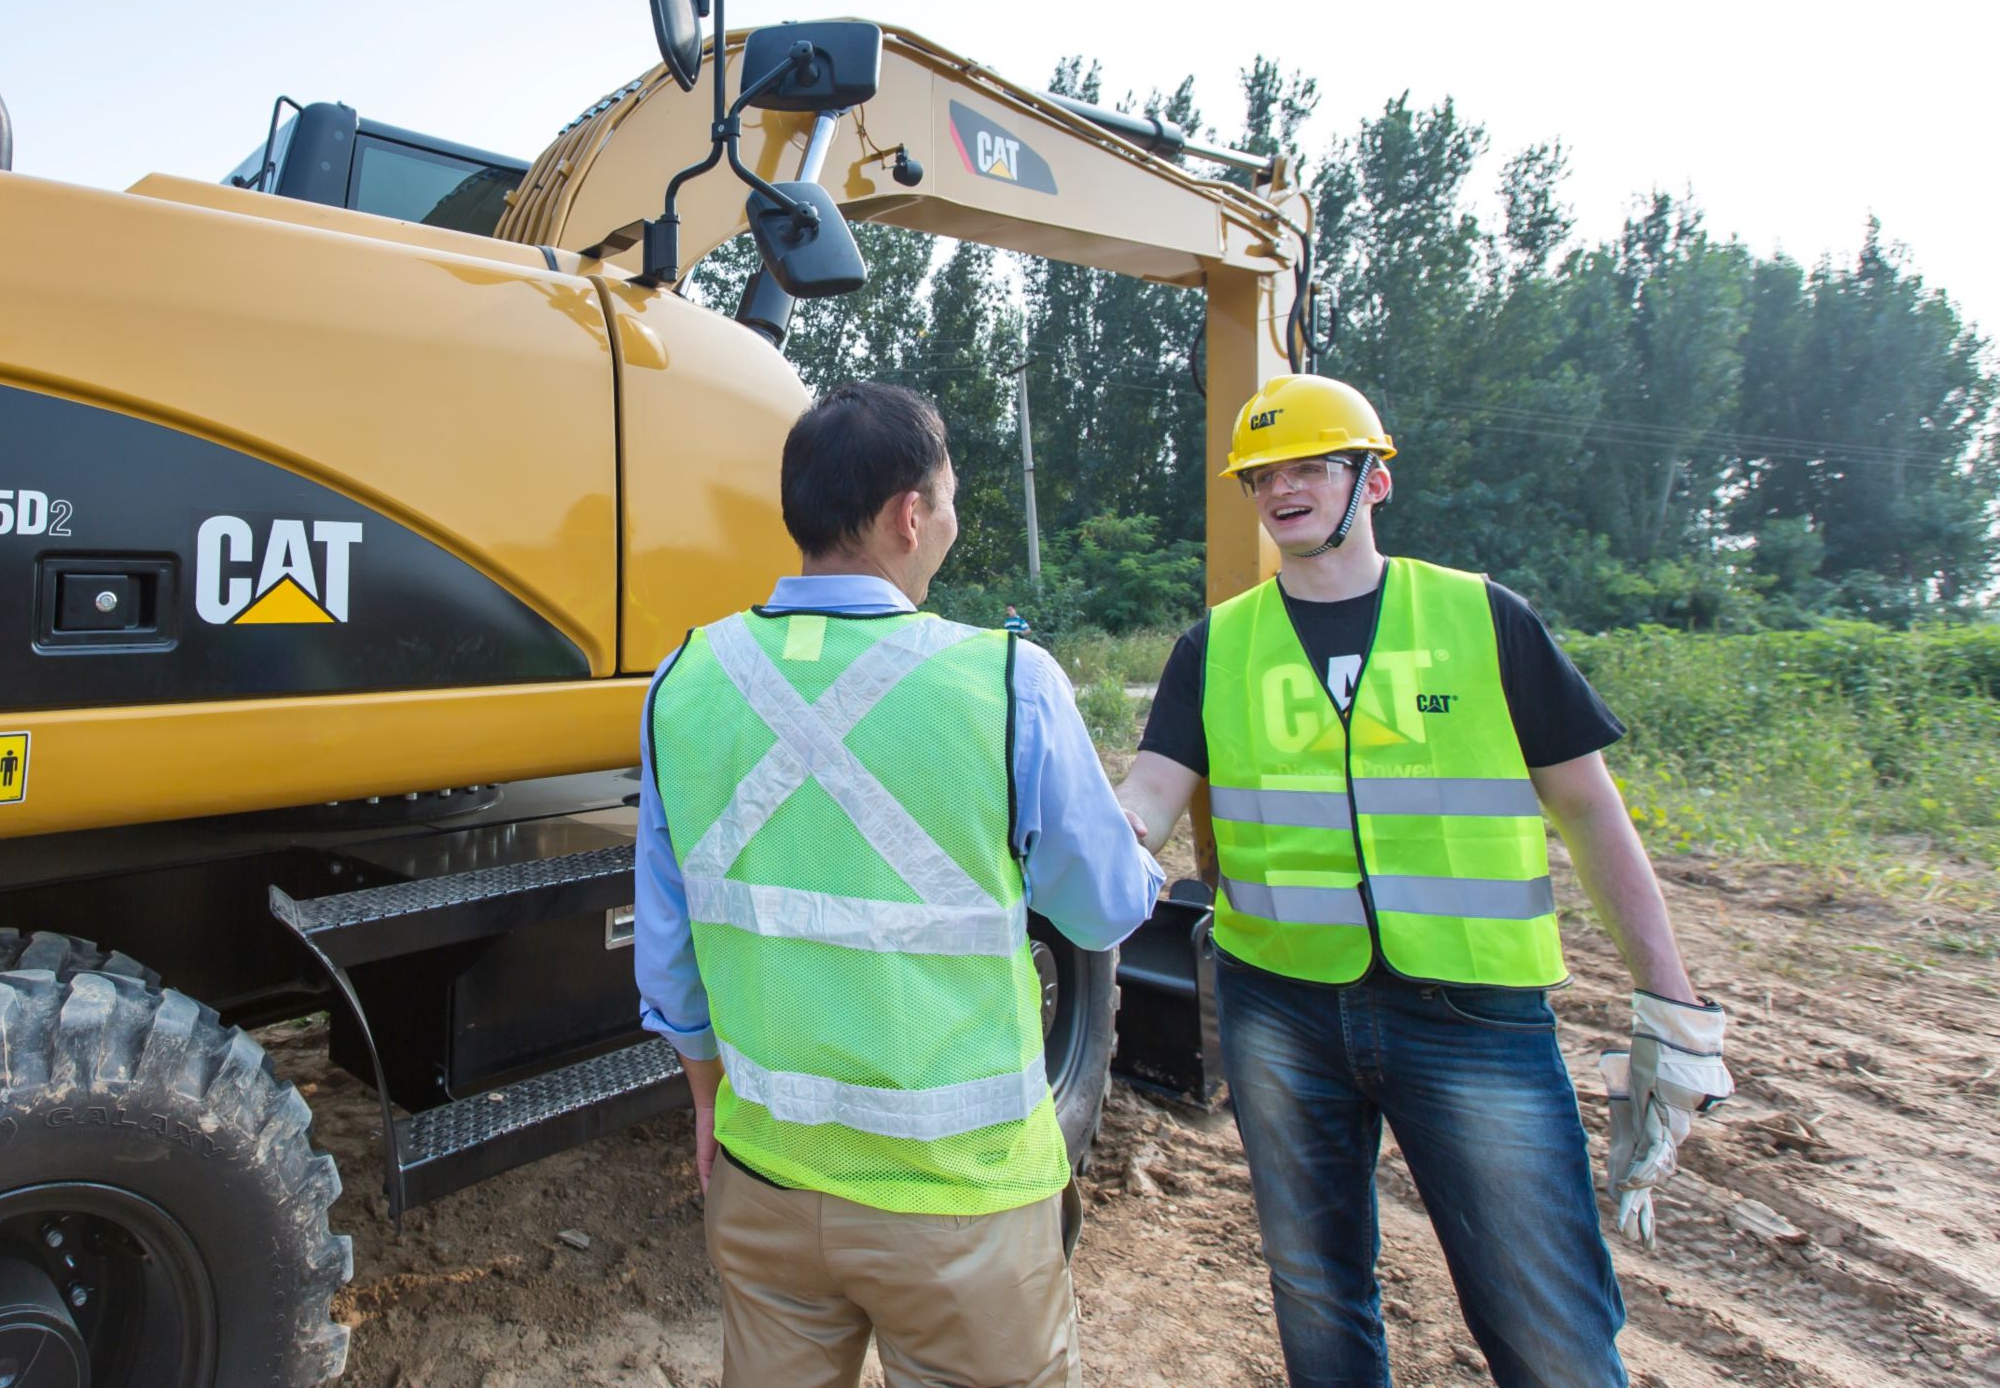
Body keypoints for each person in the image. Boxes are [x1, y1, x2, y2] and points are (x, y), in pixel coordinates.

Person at [1114, 373, 1732, 1388]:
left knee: (1547, 1323)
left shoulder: (1481, 617)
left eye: (1310, 465)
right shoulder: (1213, 645)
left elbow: (1587, 806)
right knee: (1317, 1296)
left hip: (1472, 1013)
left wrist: (1666, 989)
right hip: (1281, 1004)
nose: (1282, 490)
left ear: (1374, 480)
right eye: (1261, 475)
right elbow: (1144, 798)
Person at [635, 381, 1162, 1388]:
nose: (952, 521)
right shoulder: (1007, 680)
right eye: (951, 498)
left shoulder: (684, 677)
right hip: (964, 1205)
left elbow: (670, 949)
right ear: (906, 515)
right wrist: (1130, 848)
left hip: (765, 1187)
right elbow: (1101, 905)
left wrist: (707, 1102)